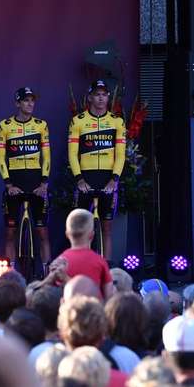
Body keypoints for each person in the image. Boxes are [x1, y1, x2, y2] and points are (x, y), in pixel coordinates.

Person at [68, 80, 126, 259]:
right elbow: (72, 154)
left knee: (107, 227)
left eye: (104, 94)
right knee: (81, 228)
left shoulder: (117, 122)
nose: (101, 98)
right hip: (85, 178)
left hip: (108, 178)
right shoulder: (78, 121)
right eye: (97, 94)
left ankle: (106, 267)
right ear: (90, 97)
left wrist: (114, 180)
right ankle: (81, 262)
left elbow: (121, 155)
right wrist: (79, 179)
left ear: (108, 97)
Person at [0, 87, 51, 268]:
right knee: (10, 233)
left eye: (32, 100)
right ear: (17, 103)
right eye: (26, 100)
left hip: (36, 182)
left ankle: (47, 271)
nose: (30, 104)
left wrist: (44, 183)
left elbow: (47, 156)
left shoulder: (41, 125)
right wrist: (8, 184)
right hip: (14, 183)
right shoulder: (5, 126)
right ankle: (10, 271)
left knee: (43, 232)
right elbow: (0, 158)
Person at [59, 209, 114, 300]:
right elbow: (109, 296)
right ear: (92, 235)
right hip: (94, 311)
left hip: (68, 311)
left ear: (67, 234)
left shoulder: (59, 262)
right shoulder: (100, 262)